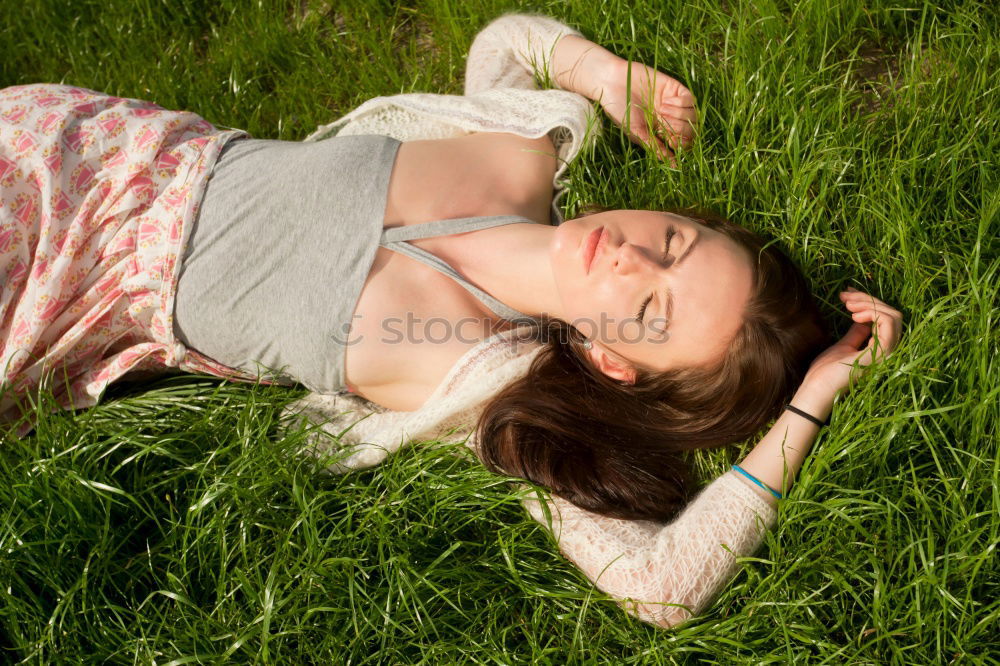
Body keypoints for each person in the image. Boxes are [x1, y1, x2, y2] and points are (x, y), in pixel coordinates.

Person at [0, 14, 903, 628]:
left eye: (646, 308)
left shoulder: (485, 378)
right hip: (80, 144)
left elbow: (657, 589)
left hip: (64, 290)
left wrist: (810, 401)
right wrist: (605, 74)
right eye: (671, 239)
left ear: (614, 362)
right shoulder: (520, 156)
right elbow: (504, 43)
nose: (629, 258)